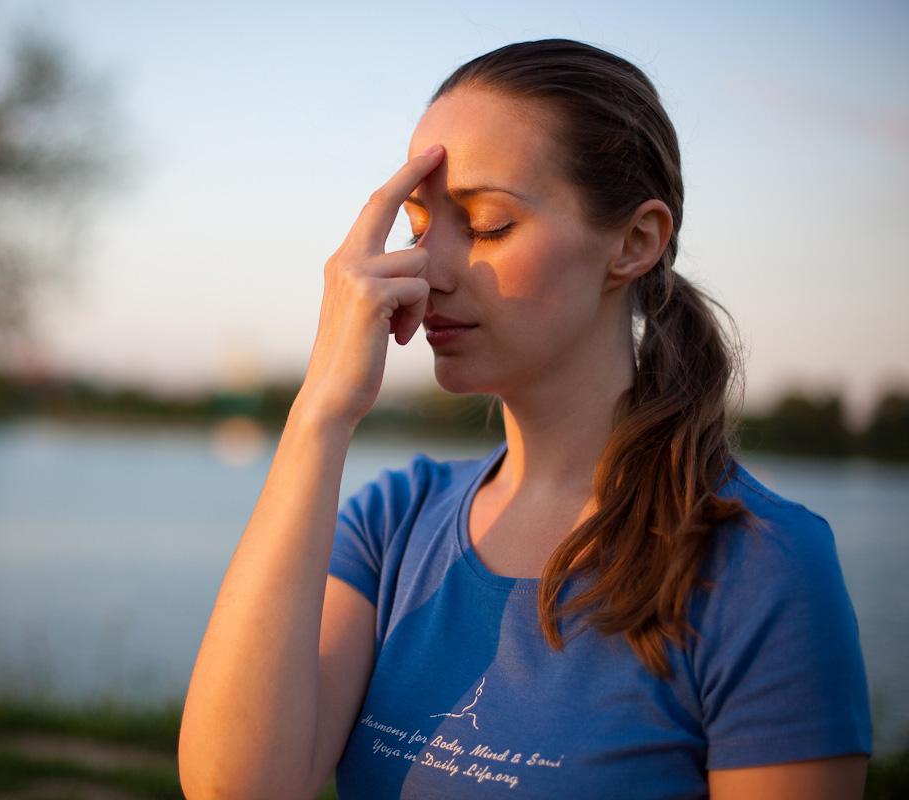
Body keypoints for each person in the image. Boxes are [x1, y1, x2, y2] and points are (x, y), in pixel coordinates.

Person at [177, 38, 872, 799]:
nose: (429, 270)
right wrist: (321, 411)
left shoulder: (759, 565)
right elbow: (236, 788)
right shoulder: (394, 525)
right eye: (418, 226)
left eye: (484, 225)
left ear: (635, 242)